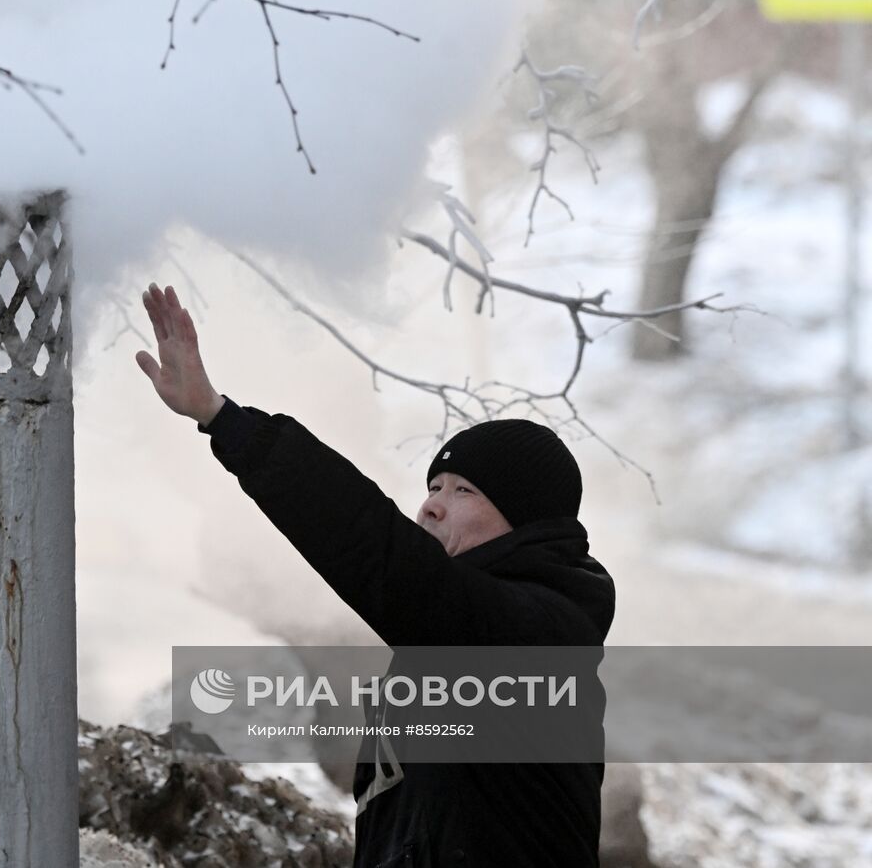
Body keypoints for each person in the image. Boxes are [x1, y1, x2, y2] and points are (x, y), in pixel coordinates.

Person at [135, 282, 616, 868]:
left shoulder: (537, 634)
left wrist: (224, 421)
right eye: (433, 487)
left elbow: (374, 547)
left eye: (464, 490)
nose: (432, 505)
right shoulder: (440, 648)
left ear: (524, 521)